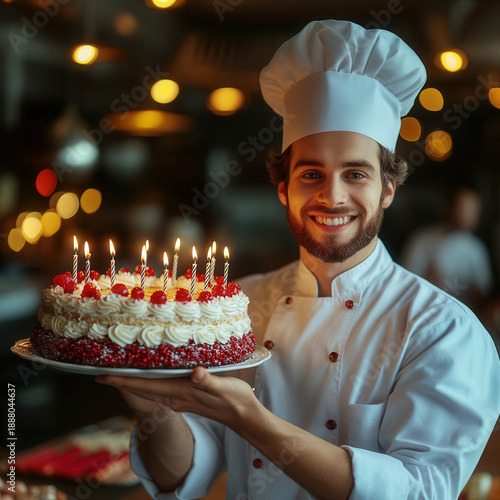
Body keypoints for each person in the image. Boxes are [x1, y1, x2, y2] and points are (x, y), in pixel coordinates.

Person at [97, 20, 500, 500]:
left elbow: (418, 492)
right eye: (312, 174)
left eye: (355, 174)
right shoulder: (236, 307)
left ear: (387, 189)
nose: (332, 196)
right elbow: (183, 473)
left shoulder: (442, 331)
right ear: (284, 188)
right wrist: (155, 411)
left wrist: (251, 418)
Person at [402, 185, 493, 311]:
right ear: (449, 207)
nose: (467, 214)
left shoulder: (477, 248)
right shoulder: (423, 240)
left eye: (473, 209)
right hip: (427, 314)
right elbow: (405, 283)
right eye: (463, 208)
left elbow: (483, 291)